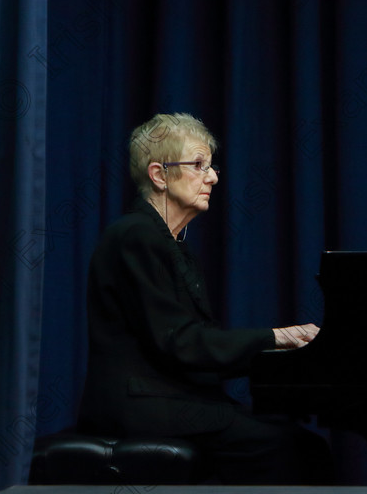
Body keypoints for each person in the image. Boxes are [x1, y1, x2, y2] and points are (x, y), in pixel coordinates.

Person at [77, 112, 333, 485]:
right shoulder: (136, 236)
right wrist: (274, 337)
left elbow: (191, 342)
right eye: (199, 165)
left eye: (211, 167)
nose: (212, 177)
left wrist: (279, 354)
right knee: (289, 447)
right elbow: (178, 342)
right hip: (139, 404)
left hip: (169, 397)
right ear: (159, 175)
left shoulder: (171, 244)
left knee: (302, 445)